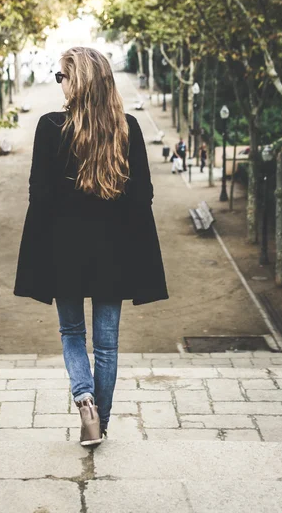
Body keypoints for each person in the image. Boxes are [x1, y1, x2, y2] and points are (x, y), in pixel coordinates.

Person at [13, 46, 169, 447]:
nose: (59, 84)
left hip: (64, 251)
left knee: (70, 332)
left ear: (77, 80)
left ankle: (84, 402)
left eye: (61, 76)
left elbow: (39, 196)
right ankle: (104, 420)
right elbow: (143, 196)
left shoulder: (50, 127)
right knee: (107, 343)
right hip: (112, 254)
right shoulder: (127, 128)